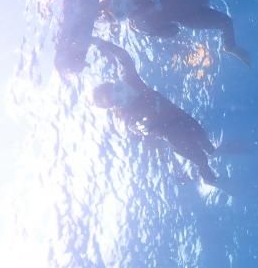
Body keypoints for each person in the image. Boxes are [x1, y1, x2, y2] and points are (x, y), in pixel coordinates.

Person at [90, 37, 218, 185]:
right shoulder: (127, 114)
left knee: (204, 139)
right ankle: (209, 179)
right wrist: (142, 127)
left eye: (117, 90)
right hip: (173, 135)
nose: (123, 95)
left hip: (179, 115)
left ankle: (213, 153)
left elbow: (124, 57)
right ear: (116, 106)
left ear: (115, 83)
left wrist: (101, 43)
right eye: (116, 100)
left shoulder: (129, 79)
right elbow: (134, 126)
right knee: (200, 159)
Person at [98, 0, 251, 66]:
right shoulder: (139, 24)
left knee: (222, 18)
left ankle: (230, 47)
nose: (123, 7)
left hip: (188, 11)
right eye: (119, 13)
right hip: (189, 12)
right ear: (120, 20)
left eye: (118, 3)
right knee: (225, 20)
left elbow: (172, 31)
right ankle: (230, 47)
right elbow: (171, 31)